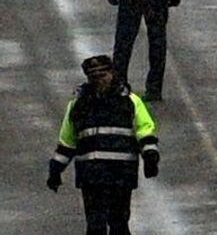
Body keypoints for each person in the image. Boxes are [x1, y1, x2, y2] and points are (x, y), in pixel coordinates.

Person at [47, 54, 159, 235]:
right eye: (94, 77)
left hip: (120, 174)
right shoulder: (78, 105)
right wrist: (56, 169)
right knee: (96, 226)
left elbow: (144, 130)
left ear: (112, 74)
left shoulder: (130, 101)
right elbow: (67, 142)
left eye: (103, 75)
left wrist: (150, 156)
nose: (100, 81)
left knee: (119, 223)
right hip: (93, 176)